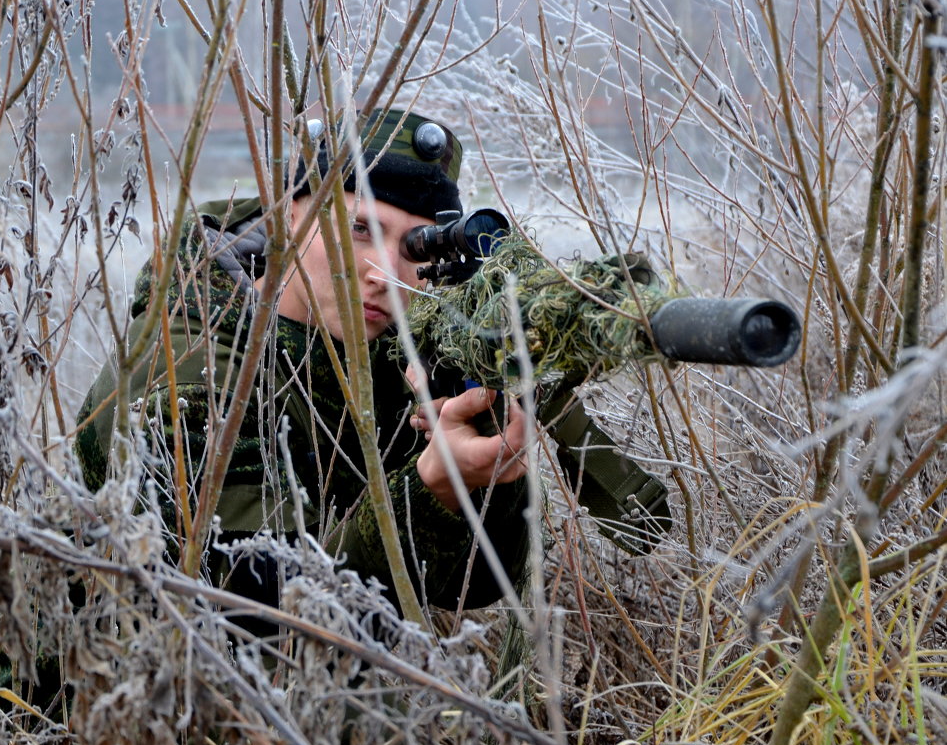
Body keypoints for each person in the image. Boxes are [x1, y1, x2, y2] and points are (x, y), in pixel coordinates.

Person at [73, 108, 669, 620]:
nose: (384, 273)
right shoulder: (189, 376)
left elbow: (477, 584)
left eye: (414, 248)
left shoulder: (393, 353)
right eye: (360, 229)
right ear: (290, 218)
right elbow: (257, 618)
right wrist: (429, 486)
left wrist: (480, 464)